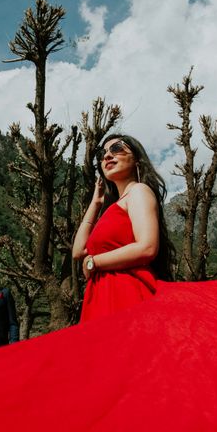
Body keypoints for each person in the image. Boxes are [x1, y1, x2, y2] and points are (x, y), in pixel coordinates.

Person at [73, 135, 174, 322]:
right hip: (102, 297)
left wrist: (94, 263)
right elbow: (78, 251)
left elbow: (147, 247)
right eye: (102, 154)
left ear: (137, 159)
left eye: (117, 148)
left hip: (126, 295)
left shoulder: (139, 191)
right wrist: (95, 203)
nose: (107, 156)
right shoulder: (113, 209)